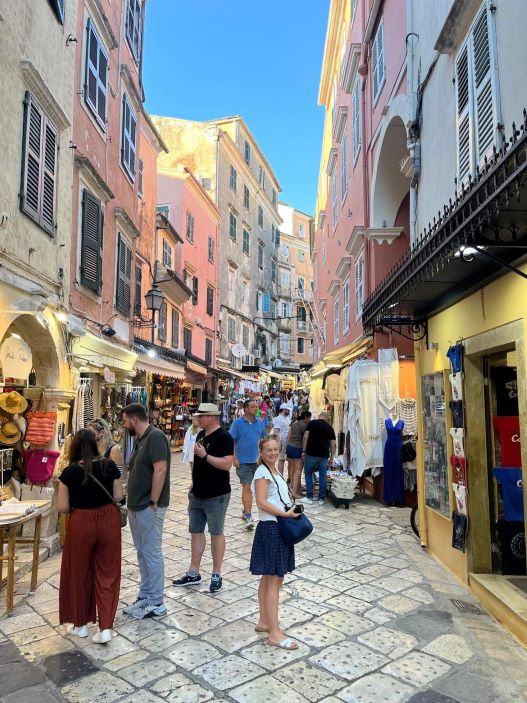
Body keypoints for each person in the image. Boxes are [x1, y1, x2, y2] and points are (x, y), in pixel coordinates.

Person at [57, 429, 123, 644]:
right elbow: (119, 496)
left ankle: (81, 624)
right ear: (96, 444)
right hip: (108, 521)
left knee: (78, 572)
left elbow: (63, 507)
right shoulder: (109, 466)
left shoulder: (68, 473)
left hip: (80, 523)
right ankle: (105, 628)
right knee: (108, 573)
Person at [173, 403, 234, 593]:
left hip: (217, 494)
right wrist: (193, 482)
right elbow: (197, 463)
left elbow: (227, 464)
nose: (197, 419)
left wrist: (205, 455)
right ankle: (194, 572)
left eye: (201, 416)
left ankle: (216, 573)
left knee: (216, 533)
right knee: (196, 531)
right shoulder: (200, 435)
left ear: (212, 417)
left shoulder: (224, 437)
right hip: (197, 493)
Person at [121, 403, 171, 619]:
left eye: (124, 421)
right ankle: (145, 595)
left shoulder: (155, 436)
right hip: (136, 505)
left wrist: (153, 501)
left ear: (134, 419)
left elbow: (160, 469)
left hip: (148, 506)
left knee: (151, 552)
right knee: (142, 552)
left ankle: (156, 601)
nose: (123, 425)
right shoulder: (140, 439)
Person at [250, 435, 300, 650]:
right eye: (268, 450)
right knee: (274, 581)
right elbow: (260, 502)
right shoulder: (262, 472)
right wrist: (285, 514)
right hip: (272, 527)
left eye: (275, 449)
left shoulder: (274, 471)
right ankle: (275, 633)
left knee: (269, 578)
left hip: (274, 526)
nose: (272, 453)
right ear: (261, 452)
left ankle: (264, 621)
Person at [230, 399, 267, 529]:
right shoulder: (237, 423)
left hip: (257, 461)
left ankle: (246, 510)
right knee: (246, 487)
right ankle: (248, 514)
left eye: (256, 407)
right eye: (252, 407)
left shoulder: (260, 423)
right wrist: (234, 458)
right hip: (243, 461)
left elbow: (264, 440)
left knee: (258, 488)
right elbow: (232, 441)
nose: (255, 409)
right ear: (245, 409)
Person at [300, 411, 336, 506]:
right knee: (323, 476)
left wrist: (304, 450)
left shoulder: (311, 423)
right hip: (324, 455)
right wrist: (332, 457)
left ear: (319, 416)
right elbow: (333, 444)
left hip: (311, 453)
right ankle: (321, 498)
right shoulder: (329, 427)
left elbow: (305, 437)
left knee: (308, 474)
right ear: (327, 417)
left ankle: (309, 497)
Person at [285, 411, 311, 498]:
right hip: (298, 448)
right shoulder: (306, 426)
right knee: (298, 471)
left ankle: (294, 487)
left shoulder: (294, 423)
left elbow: (288, 436)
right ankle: (294, 493)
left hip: (290, 447)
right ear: (306, 418)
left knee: (292, 469)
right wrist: (304, 450)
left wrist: (286, 448)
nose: (309, 420)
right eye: (309, 418)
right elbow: (305, 438)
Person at [272, 403, 291, 475]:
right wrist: (278, 443)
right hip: (282, 442)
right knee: (281, 460)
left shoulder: (287, 418)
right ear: (284, 409)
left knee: (289, 460)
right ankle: (280, 476)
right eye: (287, 410)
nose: (289, 411)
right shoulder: (278, 419)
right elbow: (276, 432)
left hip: (288, 442)